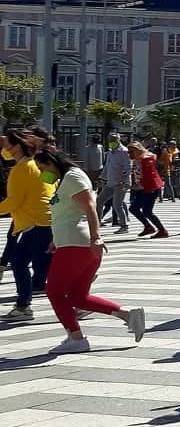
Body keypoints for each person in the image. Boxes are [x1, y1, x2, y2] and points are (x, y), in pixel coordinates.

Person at [33, 146, 147, 354]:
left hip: (78, 243)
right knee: (78, 297)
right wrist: (56, 240)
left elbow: (90, 207)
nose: (42, 173)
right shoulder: (65, 180)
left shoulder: (72, 177)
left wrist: (96, 237)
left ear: (52, 163)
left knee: (54, 291)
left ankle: (76, 338)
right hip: (72, 242)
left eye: (42, 168)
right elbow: (68, 213)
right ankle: (128, 315)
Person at [0, 131, 55, 322]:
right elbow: (52, 185)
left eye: (5, 145)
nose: (3, 149)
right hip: (42, 221)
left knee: (33, 265)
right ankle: (23, 306)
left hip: (37, 222)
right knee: (24, 262)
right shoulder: (33, 165)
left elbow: (13, 201)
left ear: (17, 146)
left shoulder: (22, 169)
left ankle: (79, 299)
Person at [126, 143, 169, 238]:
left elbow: (149, 176)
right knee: (145, 211)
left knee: (136, 209)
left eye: (131, 152)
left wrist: (139, 186)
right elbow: (136, 173)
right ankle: (155, 229)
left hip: (150, 188)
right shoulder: (138, 159)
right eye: (128, 152)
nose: (129, 154)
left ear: (138, 150)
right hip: (146, 188)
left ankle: (155, 228)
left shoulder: (145, 160)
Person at [99, 135, 132, 233]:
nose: (111, 141)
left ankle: (124, 226)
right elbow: (107, 167)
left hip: (120, 183)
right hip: (110, 182)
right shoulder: (110, 152)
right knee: (99, 201)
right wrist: (101, 178)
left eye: (113, 140)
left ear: (118, 140)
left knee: (117, 205)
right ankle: (97, 221)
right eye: (109, 140)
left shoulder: (124, 151)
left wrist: (123, 180)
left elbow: (128, 167)